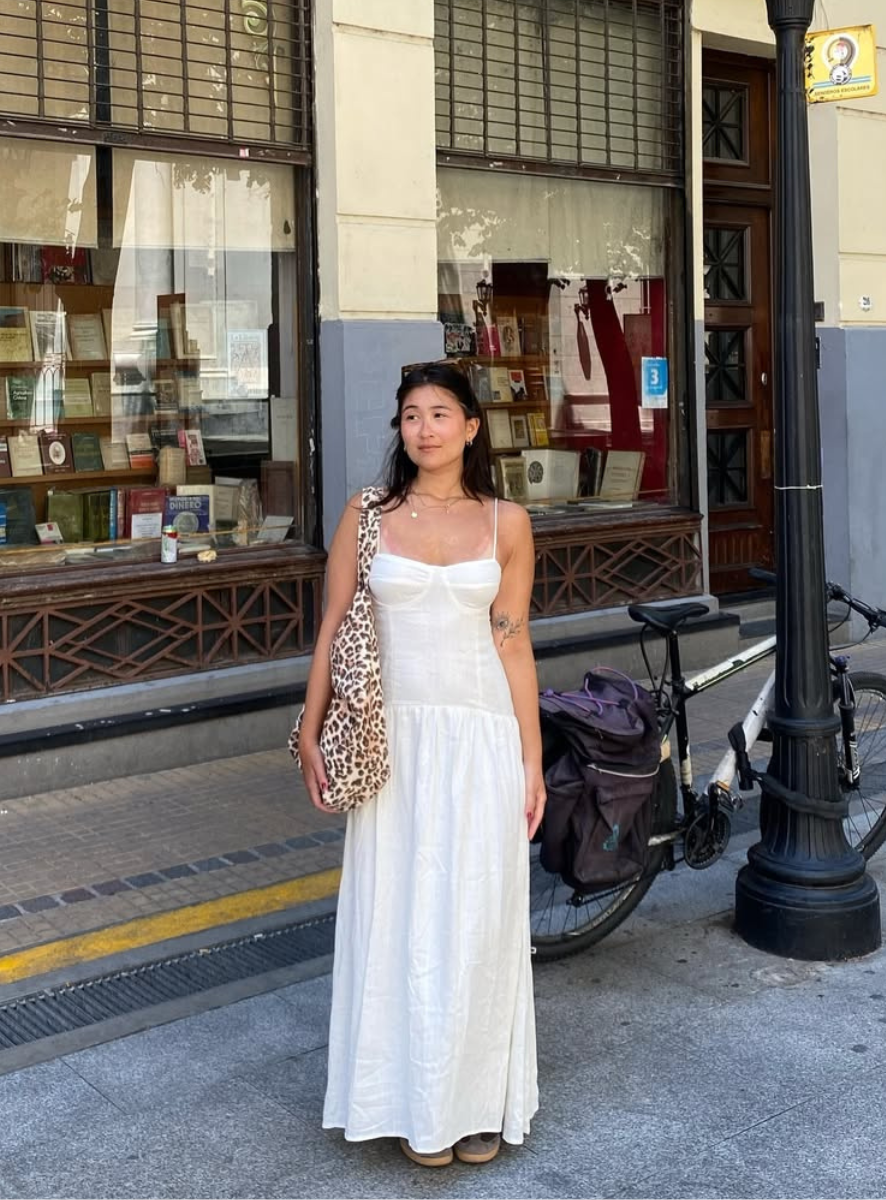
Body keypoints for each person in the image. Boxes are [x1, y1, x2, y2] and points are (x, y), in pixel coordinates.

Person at [298, 361, 543, 1167]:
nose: (425, 428)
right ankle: (404, 1100)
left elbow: (512, 640)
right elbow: (334, 621)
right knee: (396, 914)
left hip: (479, 739)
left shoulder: (506, 522)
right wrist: (310, 724)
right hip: (388, 739)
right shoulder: (367, 514)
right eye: (411, 416)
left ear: (472, 426)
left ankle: (473, 1104)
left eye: (441, 413)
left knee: (478, 917)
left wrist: (532, 759)